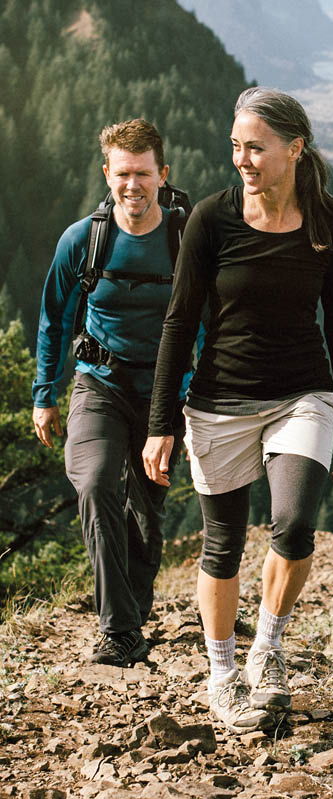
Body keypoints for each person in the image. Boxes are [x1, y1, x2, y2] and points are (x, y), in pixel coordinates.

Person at [143, 87, 333, 733]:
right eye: (235, 146)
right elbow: (180, 321)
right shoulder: (210, 219)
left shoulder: (331, 224)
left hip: (302, 393)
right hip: (218, 401)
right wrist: (160, 423)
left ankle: (267, 650)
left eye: (255, 147)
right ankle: (221, 674)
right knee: (223, 545)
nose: (241, 158)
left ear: (294, 149)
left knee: (293, 525)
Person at [32, 118, 190, 667]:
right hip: (97, 384)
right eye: (122, 174)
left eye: (143, 174)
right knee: (96, 481)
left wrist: (182, 402)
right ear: (108, 174)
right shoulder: (84, 239)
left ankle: (133, 610)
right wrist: (43, 394)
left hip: (163, 394)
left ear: (162, 175)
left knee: (146, 512)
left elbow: (210, 323)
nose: (133, 186)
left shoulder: (184, 238)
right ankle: (120, 631)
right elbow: (54, 318)